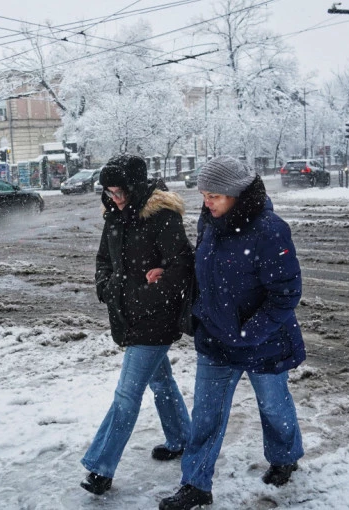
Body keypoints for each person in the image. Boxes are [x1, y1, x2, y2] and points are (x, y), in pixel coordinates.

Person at [159, 156, 306, 510]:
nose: (206, 203)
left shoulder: (270, 230)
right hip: (214, 338)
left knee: (274, 406)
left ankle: (285, 457)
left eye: (214, 196)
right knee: (206, 416)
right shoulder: (209, 222)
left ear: (236, 194)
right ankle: (195, 484)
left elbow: (286, 293)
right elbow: (203, 271)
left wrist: (248, 332)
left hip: (262, 341)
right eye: (203, 195)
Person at [80, 154, 194, 496]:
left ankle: (100, 467)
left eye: (120, 191)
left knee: (127, 394)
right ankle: (182, 438)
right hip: (127, 314)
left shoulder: (162, 216)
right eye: (109, 192)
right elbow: (103, 260)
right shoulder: (114, 215)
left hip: (155, 318)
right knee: (161, 380)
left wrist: (144, 295)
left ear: (136, 186)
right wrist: (107, 288)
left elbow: (181, 266)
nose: (115, 198)